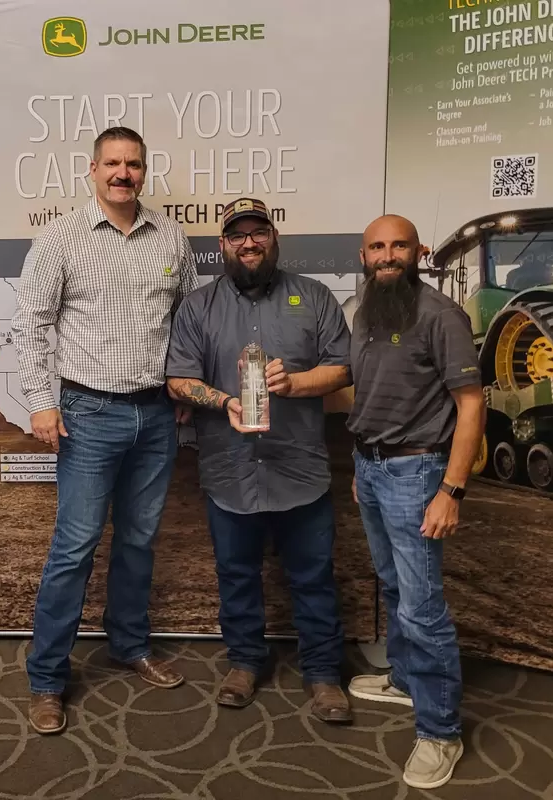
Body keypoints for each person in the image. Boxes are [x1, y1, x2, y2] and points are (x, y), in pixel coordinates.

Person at [12, 126, 199, 735]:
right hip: (87, 414)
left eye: (134, 164)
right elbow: (31, 324)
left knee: (138, 540)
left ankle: (130, 645)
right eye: (113, 163)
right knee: (75, 547)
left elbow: (187, 322)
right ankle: (47, 679)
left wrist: (184, 391)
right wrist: (41, 402)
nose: (124, 173)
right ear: (92, 169)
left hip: (157, 414)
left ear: (145, 171)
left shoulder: (171, 237)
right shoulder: (60, 238)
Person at [165, 197, 354, 723]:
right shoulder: (198, 307)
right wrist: (223, 401)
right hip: (230, 471)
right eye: (237, 235)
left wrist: (295, 383)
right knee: (236, 574)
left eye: (258, 232)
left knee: (313, 577)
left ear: (274, 238)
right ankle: (245, 661)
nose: (248, 243)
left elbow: (343, 368)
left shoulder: (314, 297)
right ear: (223, 244)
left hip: (300, 470)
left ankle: (323, 673)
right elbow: (178, 380)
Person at [346, 214, 486, 789]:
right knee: (394, 585)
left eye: (398, 245)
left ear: (418, 252)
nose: (387, 256)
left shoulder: (441, 315)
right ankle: (404, 681)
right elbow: (370, 391)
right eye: (377, 247)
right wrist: (364, 463)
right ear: (363, 256)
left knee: (422, 607)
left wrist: (450, 491)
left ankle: (440, 730)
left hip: (418, 471)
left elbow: (471, 404)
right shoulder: (367, 310)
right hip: (372, 466)